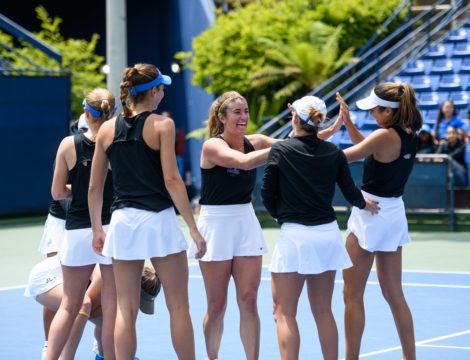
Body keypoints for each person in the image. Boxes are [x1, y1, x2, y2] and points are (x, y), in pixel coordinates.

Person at [88, 63, 206, 360]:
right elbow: (171, 179)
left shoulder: (105, 130)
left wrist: (97, 230)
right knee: (179, 306)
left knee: (125, 311)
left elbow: (94, 188)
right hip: (159, 221)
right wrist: (193, 228)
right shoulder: (163, 126)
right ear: (152, 91)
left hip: (123, 223)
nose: (164, 93)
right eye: (161, 88)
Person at [260, 96, 379, 360]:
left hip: (295, 235)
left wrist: (283, 216)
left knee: (284, 312)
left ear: (294, 118)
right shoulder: (334, 152)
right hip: (327, 235)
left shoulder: (280, 150)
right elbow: (350, 191)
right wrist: (364, 202)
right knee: (324, 311)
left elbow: (267, 194)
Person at [186, 90, 278, 360]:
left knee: (248, 301)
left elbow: (300, 141)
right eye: (237, 112)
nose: (244, 117)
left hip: (244, 221)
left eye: (246, 111)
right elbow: (244, 163)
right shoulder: (212, 146)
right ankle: (212, 357)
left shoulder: (257, 141)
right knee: (217, 306)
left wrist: (327, 129)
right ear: (222, 118)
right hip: (215, 224)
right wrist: (285, 148)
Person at [334, 82, 422, 360]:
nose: (372, 114)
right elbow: (371, 148)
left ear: (389, 111)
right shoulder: (409, 134)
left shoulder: (383, 136)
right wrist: (347, 122)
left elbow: (340, 159)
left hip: (369, 212)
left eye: (375, 110)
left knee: (351, 294)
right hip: (394, 213)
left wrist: (302, 144)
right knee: (394, 294)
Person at [47, 88, 117, 360]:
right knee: (112, 306)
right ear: (112, 114)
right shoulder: (118, 143)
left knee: (69, 304)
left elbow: (56, 193)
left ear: (86, 113)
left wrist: (79, 189)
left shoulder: (67, 144)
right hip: (111, 229)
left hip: (77, 230)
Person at [24, 256, 159, 360]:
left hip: (64, 281)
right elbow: (82, 310)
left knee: (110, 319)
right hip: (45, 278)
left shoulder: (121, 275)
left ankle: (102, 356)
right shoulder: (106, 275)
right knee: (84, 304)